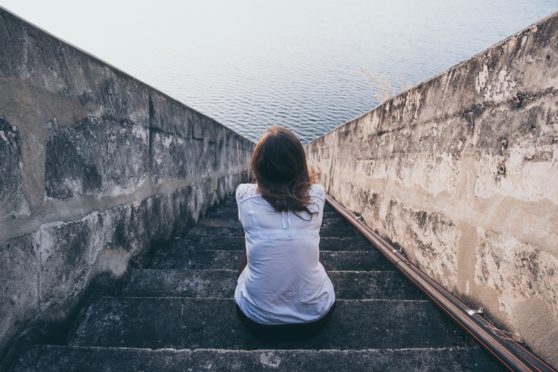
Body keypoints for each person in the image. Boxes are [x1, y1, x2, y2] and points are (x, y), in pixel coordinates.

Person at [234, 125, 336, 340]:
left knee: (249, 254)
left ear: (258, 165)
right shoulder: (317, 195)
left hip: (257, 320)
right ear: (299, 163)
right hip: (315, 318)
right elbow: (307, 186)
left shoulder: (244, 196)